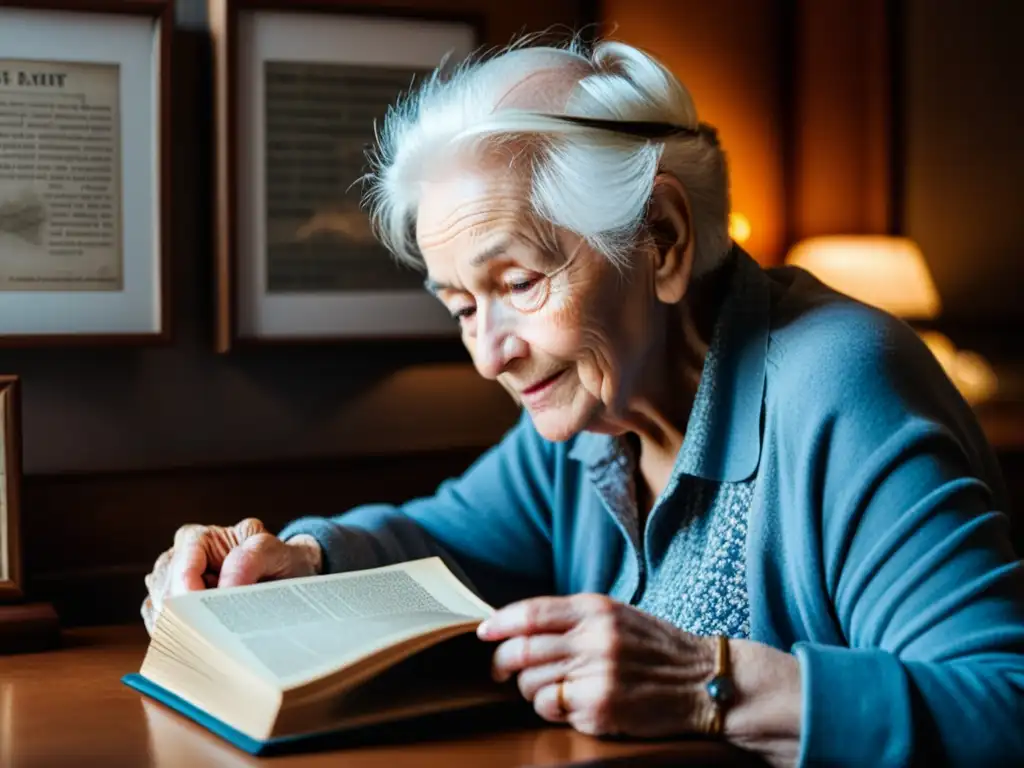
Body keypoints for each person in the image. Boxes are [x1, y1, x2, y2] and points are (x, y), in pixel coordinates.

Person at [142, 35, 1024, 766]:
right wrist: (295, 558)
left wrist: (705, 682)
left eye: (520, 282)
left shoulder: (842, 383)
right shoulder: (592, 416)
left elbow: (1004, 701)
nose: (488, 354)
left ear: (663, 241)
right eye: (460, 306)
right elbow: (443, 536)